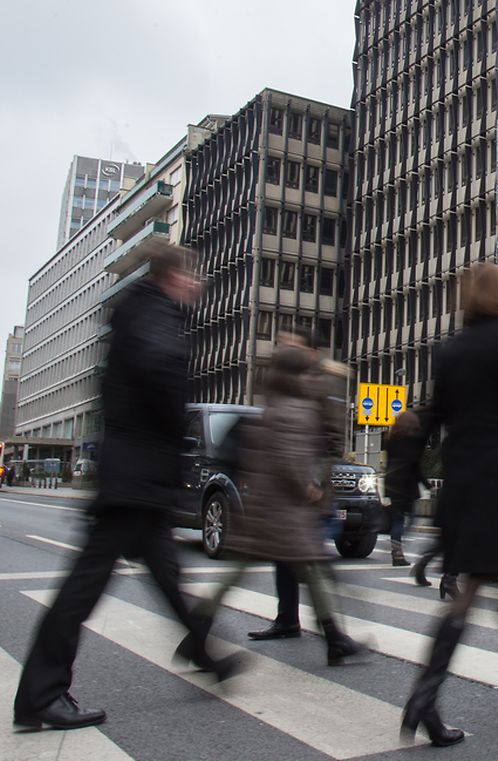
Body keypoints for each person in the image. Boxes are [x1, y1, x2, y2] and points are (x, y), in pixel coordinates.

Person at [13, 246, 239, 731]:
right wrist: (173, 422)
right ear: (173, 277)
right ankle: (40, 695)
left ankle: (204, 651)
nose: (198, 285)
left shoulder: (139, 310)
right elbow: (159, 371)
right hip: (136, 476)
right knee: (84, 588)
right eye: (192, 276)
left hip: (139, 475)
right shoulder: (153, 311)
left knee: (166, 576)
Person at [400, 263, 498, 748]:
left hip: (463, 482)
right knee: (473, 592)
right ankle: (425, 696)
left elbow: (437, 414)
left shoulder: (450, 349)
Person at [182, 344, 366, 667]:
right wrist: (308, 488)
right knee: (308, 568)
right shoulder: (297, 409)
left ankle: (198, 630)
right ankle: (334, 638)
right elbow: (291, 459)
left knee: (242, 571)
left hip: (264, 505)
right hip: (288, 510)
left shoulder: (272, 404)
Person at [245, 332, 344, 643]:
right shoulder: (287, 380)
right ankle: (296, 621)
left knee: (306, 556)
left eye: (294, 343)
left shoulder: (321, 384)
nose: (287, 346)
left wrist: (315, 481)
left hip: (307, 482)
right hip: (288, 484)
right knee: (290, 556)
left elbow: (331, 438)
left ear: (311, 351)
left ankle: (330, 632)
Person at [384, 411, 430, 567]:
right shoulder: (411, 442)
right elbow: (415, 466)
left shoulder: (390, 440)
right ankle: (397, 548)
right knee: (410, 519)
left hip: (392, 485)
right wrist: (427, 484)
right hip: (405, 486)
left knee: (398, 520)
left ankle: (396, 550)